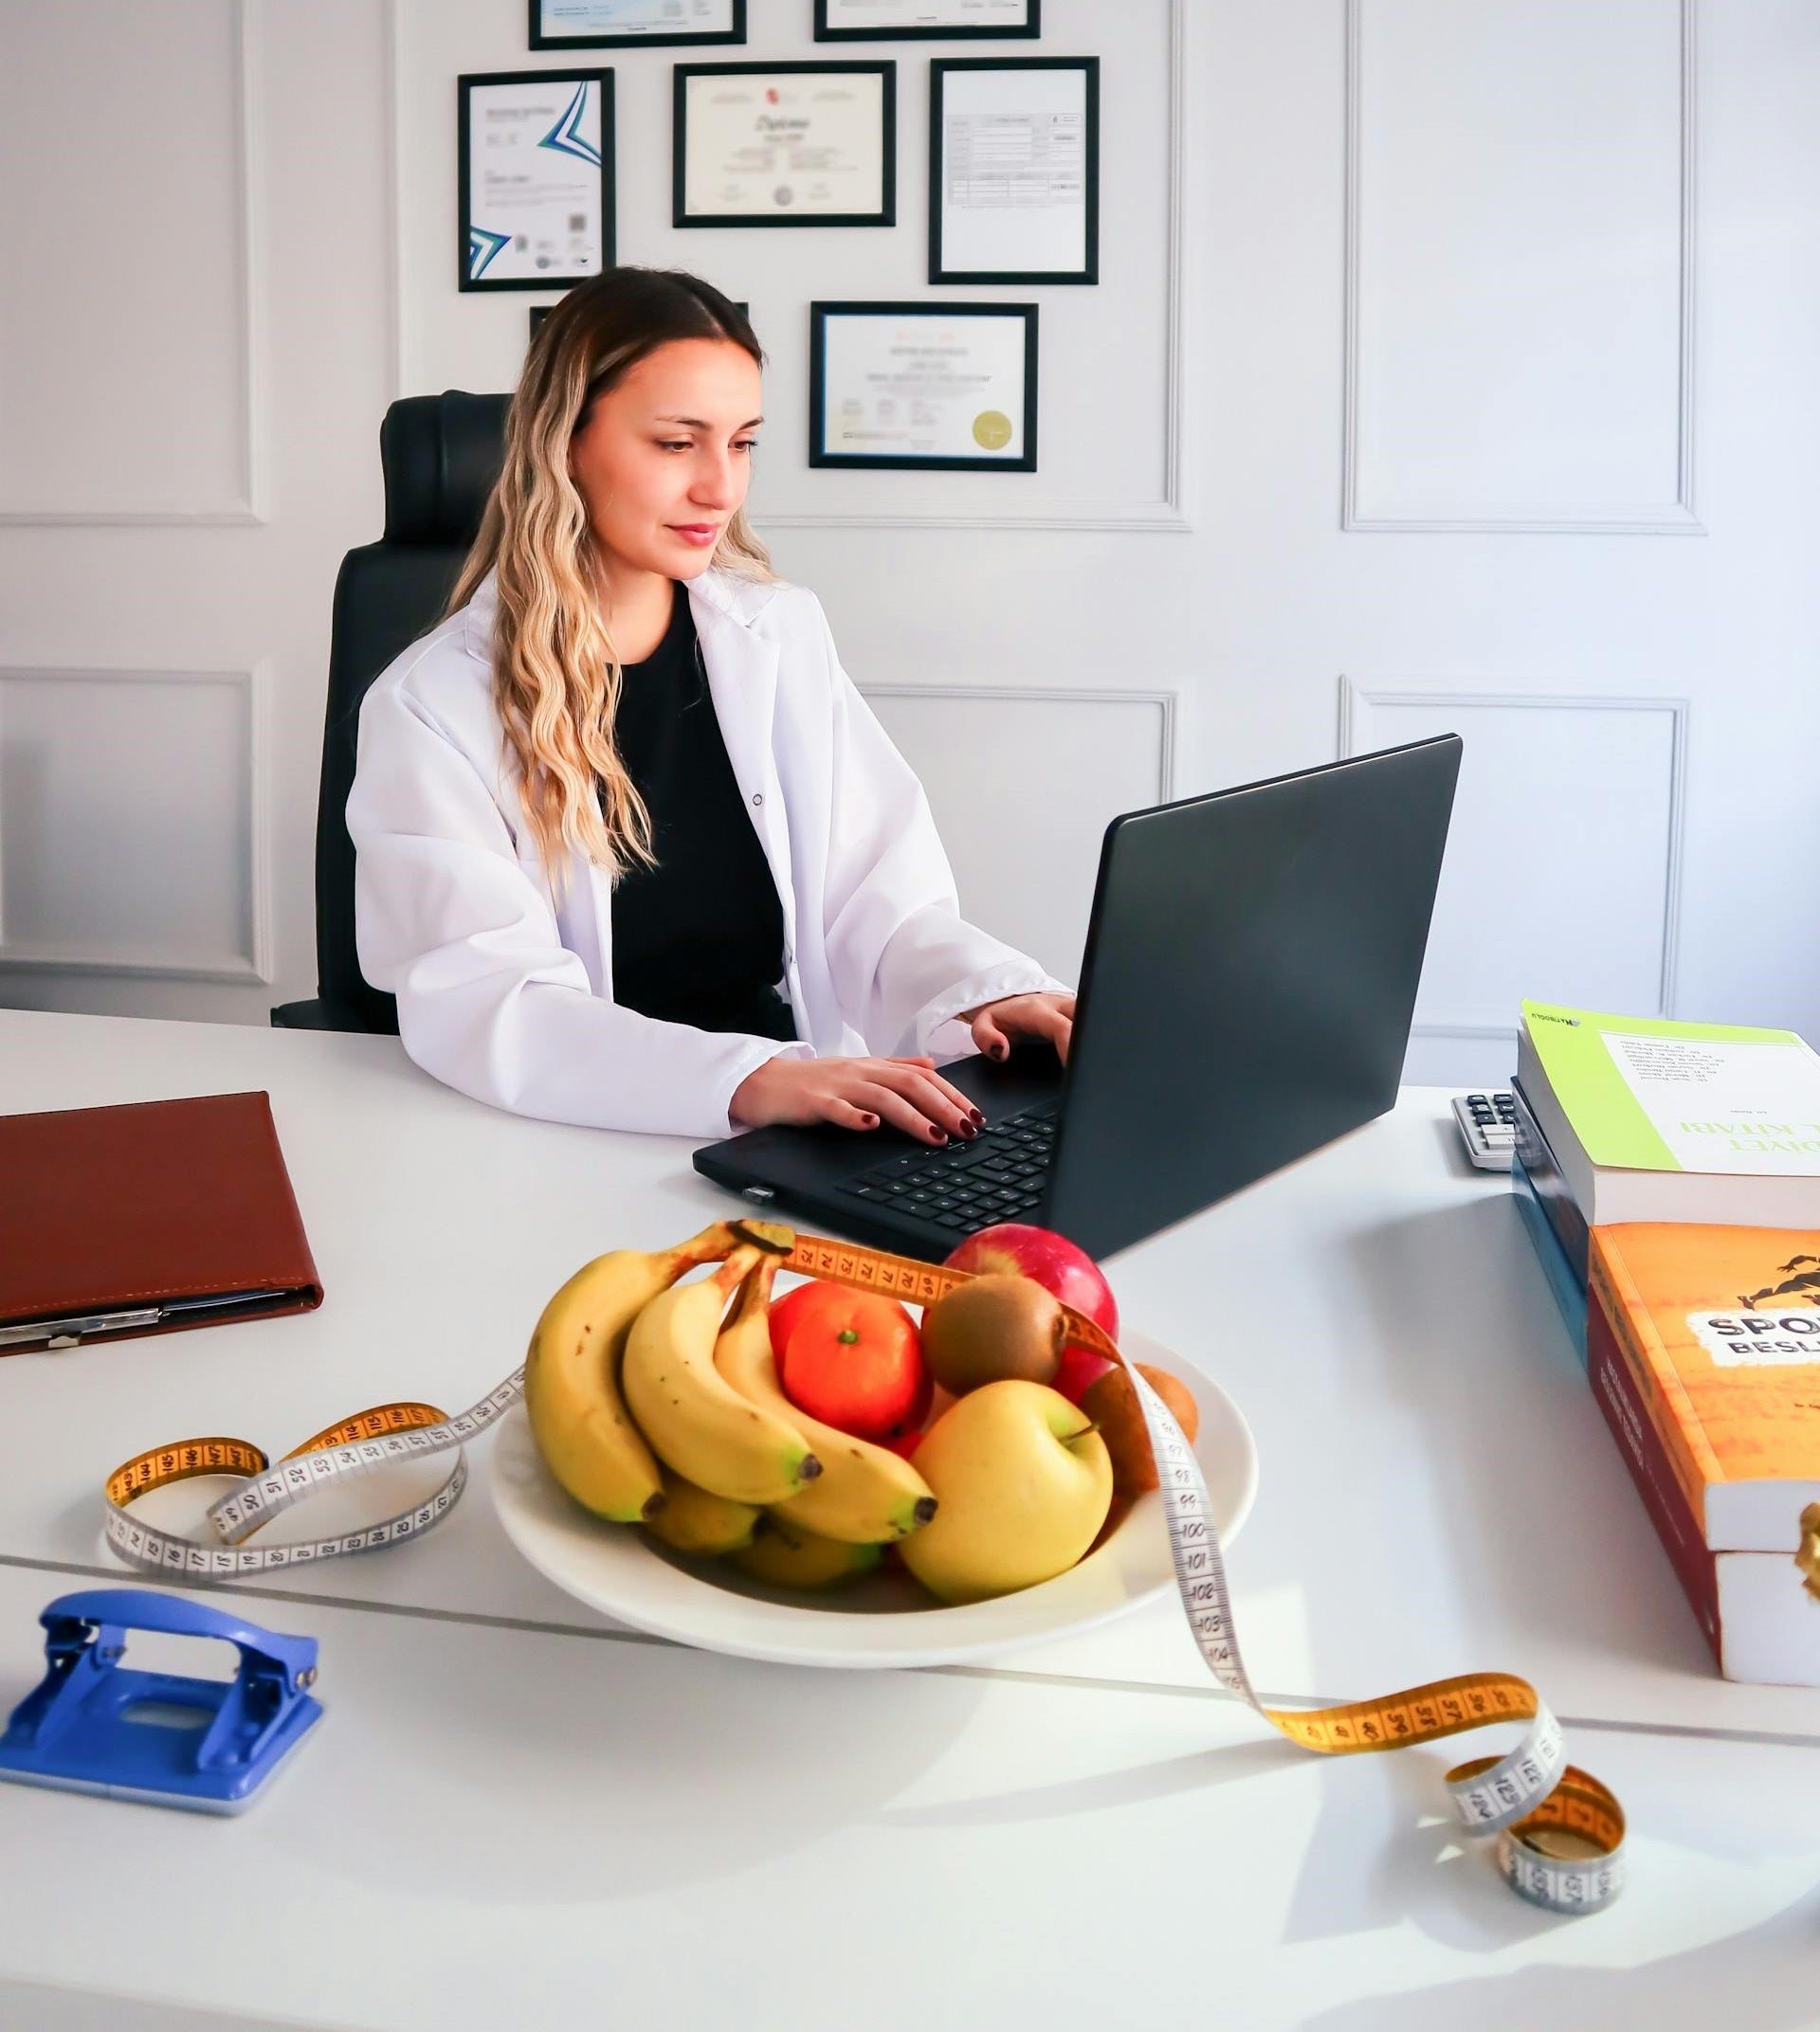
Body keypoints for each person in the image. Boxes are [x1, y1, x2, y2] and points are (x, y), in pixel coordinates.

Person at [348, 266, 1074, 1145]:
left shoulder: (780, 635)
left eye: (741, 443)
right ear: (563, 444)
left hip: (803, 1108)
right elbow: (493, 1002)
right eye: (676, 443)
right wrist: (752, 1079)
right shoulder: (433, 706)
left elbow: (877, 900)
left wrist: (993, 989)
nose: (720, 489)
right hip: (584, 1127)